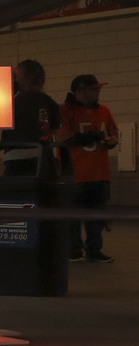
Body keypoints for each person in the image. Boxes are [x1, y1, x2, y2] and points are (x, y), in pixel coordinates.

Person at [61, 74, 119, 262]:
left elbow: (113, 134)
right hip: (74, 174)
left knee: (96, 216)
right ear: (79, 91)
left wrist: (110, 141)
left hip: (99, 173)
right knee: (72, 217)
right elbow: (65, 137)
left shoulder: (104, 111)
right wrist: (92, 137)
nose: (97, 92)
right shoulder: (65, 111)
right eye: (93, 89)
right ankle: (73, 249)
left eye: (98, 89)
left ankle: (94, 249)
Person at [2, 59, 63, 176]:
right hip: (42, 155)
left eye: (16, 77)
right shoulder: (48, 101)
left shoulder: (12, 102)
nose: (14, 80)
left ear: (28, 79)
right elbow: (56, 124)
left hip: (15, 155)